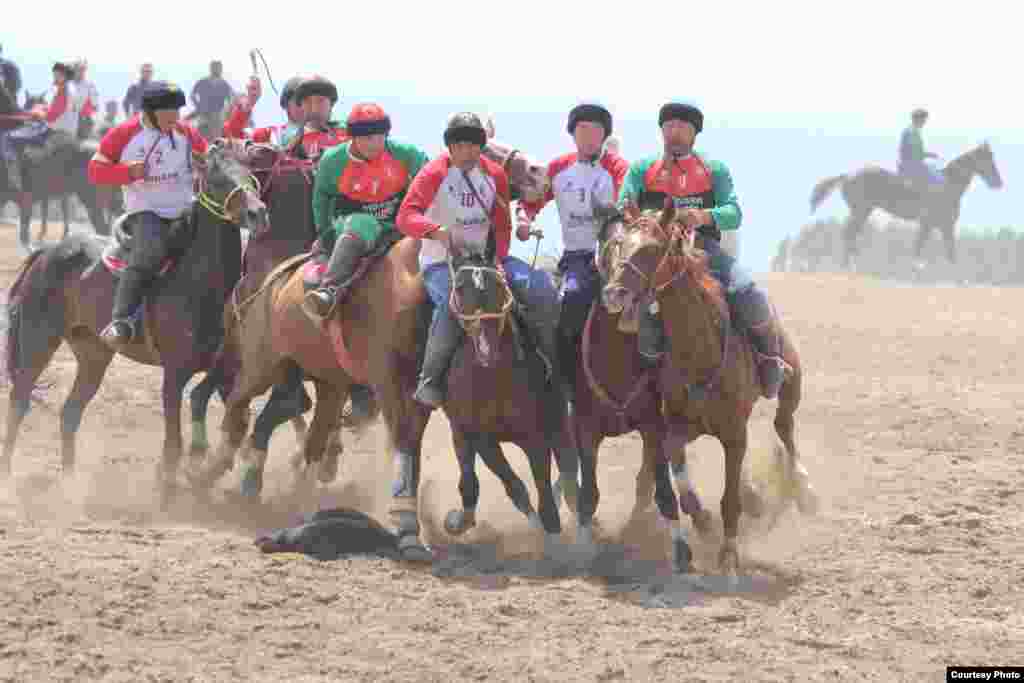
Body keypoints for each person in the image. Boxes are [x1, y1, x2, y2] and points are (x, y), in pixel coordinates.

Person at [618, 100, 787, 399]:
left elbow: (734, 212)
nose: (675, 132)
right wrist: (641, 218)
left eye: (682, 127)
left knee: (749, 292)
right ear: (661, 131)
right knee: (623, 302)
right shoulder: (642, 169)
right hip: (655, 256)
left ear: (694, 134)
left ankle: (769, 360)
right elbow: (624, 203)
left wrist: (704, 216)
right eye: (669, 126)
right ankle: (639, 386)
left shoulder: (714, 170)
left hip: (704, 249)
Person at [396, 112, 565, 408]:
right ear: (450, 147)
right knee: (454, 303)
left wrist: (498, 259)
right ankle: (431, 379)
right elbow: (405, 217)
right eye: (461, 145)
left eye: (474, 145)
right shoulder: (432, 173)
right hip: (442, 262)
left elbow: (502, 225)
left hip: (487, 261)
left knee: (542, 290)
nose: (468, 151)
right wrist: (437, 232)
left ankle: (553, 371)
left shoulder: (495, 175)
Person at [517, 102, 629, 399]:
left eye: (596, 131)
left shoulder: (618, 167)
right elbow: (531, 201)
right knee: (569, 301)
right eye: (582, 130)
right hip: (577, 257)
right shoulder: (557, 168)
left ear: (605, 136)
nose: (589, 136)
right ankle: (563, 383)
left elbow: (629, 198)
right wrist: (524, 220)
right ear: (572, 135)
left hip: (616, 255)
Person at [87, 81, 208, 350]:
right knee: (150, 251)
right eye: (170, 113)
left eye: (178, 111)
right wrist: (126, 172)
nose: (176, 118)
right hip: (146, 212)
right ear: (151, 112)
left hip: (186, 210)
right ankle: (121, 321)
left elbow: (208, 155)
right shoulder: (124, 133)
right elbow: (95, 170)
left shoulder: (184, 131)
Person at [303, 102, 428, 319]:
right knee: (363, 223)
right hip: (352, 224)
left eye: (380, 137)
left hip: (397, 223)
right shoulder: (332, 161)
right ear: (353, 138)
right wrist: (325, 233)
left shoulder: (406, 153)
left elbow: (431, 178)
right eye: (368, 138)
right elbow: (320, 199)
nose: (376, 143)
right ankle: (328, 291)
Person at [898, 107, 944, 189]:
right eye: (924, 120)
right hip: (912, 164)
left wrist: (927, 155)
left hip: (910, 163)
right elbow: (913, 152)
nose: (924, 122)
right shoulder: (912, 132)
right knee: (939, 179)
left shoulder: (911, 130)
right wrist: (928, 155)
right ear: (918, 119)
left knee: (934, 168)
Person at [189, 60, 235, 139]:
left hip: (216, 116)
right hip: (203, 114)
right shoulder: (203, 81)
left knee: (215, 140)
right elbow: (192, 95)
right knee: (201, 137)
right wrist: (198, 107)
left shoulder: (224, 84)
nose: (218, 69)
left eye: (219, 67)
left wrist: (227, 114)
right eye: (215, 67)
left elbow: (231, 99)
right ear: (211, 68)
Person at [72, 58, 100, 139]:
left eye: (82, 70)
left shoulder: (89, 84)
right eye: (78, 70)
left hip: (83, 117)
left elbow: (95, 103)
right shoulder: (68, 84)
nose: (80, 72)